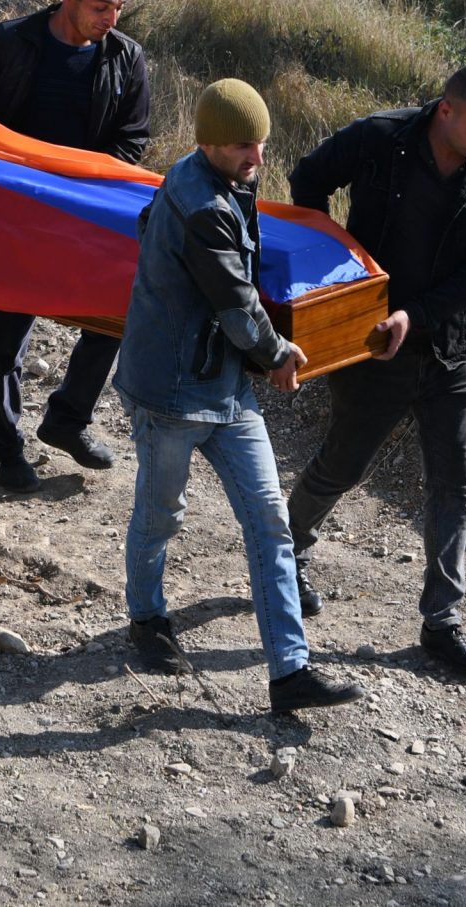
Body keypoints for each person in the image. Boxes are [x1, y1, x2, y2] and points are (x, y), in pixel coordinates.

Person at [116, 77, 363, 717]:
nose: (257, 159)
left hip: (223, 388)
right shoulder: (203, 205)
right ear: (209, 143)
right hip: (172, 394)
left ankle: (291, 674)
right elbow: (237, 307)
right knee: (161, 514)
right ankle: (146, 619)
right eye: (243, 149)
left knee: (271, 524)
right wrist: (280, 356)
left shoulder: (216, 181)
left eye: (260, 145)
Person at [284, 63, 466, 679]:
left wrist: (413, 314)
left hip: (452, 350)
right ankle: (286, 554)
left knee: (456, 484)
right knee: (344, 463)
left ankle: (441, 620)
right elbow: (307, 180)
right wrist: (339, 274)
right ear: (446, 110)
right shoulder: (379, 138)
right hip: (372, 347)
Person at [0, 0, 151, 490]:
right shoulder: (12, 41)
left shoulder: (126, 57)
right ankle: (2, 447)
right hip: (17, 211)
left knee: (113, 318)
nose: (112, 18)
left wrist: (87, 177)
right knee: (8, 333)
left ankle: (67, 420)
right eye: (102, 5)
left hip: (87, 211)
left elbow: (134, 136)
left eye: (119, 7)